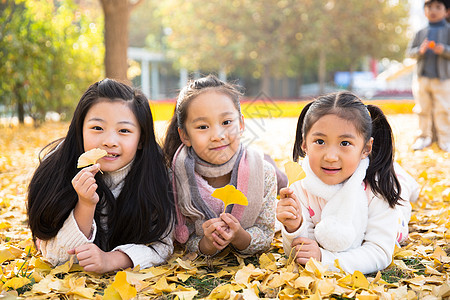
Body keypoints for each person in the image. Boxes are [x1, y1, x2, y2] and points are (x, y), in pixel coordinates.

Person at [27, 79, 175, 273]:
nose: (109, 141)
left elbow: (162, 245)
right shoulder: (57, 168)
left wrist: (112, 260)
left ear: (141, 139)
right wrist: (85, 204)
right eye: (97, 128)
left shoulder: (155, 173)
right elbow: (56, 256)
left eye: (124, 131)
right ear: (79, 129)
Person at [276, 92, 419, 274]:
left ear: (366, 148)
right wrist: (294, 227)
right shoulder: (299, 183)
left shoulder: (378, 188)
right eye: (320, 141)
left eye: (344, 143)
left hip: (393, 209)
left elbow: (379, 252)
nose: (331, 156)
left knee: (402, 190)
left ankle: (405, 179)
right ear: (304, 144)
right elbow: (302, 251)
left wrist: (325, 259)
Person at [163, 74, 277, 257]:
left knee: (279, 176)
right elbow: (185, 237)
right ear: (184, 135)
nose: (217, 135)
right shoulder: (176, 178)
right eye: (202, 127)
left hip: (260, 168)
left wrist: (240, 236)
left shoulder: (264, 174)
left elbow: (265, 233)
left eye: (226, 122)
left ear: (240, 124)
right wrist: (207, 244)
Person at [406, 0, 450, 152]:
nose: (433, 10)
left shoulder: (448, 30)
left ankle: (445, 140)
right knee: (422, 109)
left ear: (447, 12)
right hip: (421, 78)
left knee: (443, 110)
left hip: (443, 79)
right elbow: (409, 53)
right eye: (429, 7)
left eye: (438, 7)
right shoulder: (420, 31)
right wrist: (420, 50)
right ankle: (423, 138)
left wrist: (443, 50)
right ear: (424, 11)